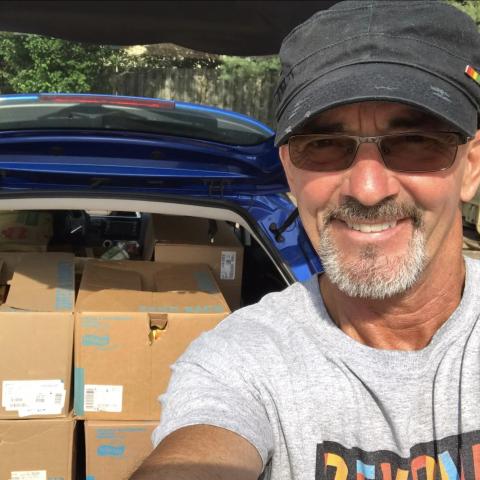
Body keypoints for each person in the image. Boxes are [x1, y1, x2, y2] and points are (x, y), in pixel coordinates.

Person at [130, 1, 480, 478]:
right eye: (323, 145)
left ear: (472, 165)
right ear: (290, 172)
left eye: (418, 142)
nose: (368, 189)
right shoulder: (242, 360)